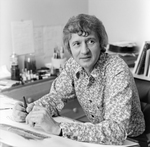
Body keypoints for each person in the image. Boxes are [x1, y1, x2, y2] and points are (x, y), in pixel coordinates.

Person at [13, 14, 145, 145]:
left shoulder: (116, 68)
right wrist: (32, 110)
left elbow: (117, 131)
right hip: (98, 137)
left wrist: (58, 128)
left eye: (91, 41)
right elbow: (56, 97)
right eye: (76, 43)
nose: (84, 51)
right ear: (69, 47)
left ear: (101, 44)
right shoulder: (73, 64)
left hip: (131, 140)